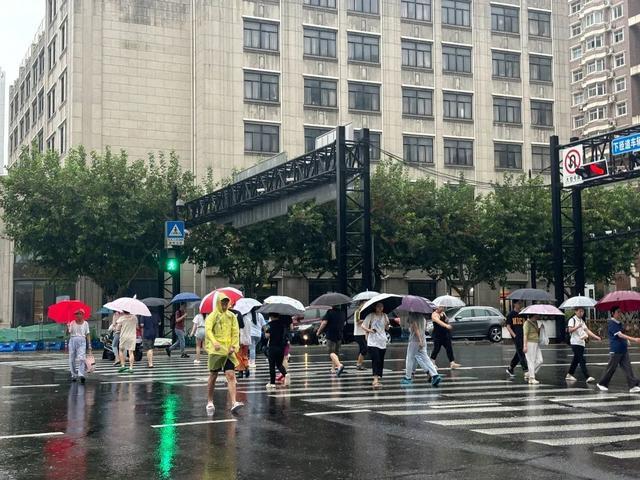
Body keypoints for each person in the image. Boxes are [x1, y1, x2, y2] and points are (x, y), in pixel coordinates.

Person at [205, 294, 244, 415]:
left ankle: (234, 402)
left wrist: (234, 345)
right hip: (216, 351)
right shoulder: (212, 316)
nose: (225, 305)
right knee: (213, 375)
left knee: (230, 374)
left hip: (228, 351)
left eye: (226, 302)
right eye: (222, 302)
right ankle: (210, 401)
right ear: (218, 302)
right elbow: (208, 330)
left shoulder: (232, 316)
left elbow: (235, 331)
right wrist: (214, 342)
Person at [597, 306, 640, 393]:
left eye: (620, 312)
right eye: (618, 312)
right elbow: (619, 335)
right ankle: (602, 383)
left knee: (628, 367)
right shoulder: (611, 323)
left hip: (623, 349)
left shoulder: (618, 323)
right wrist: (633, 339)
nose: (619, 314)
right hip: (616, 349)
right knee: (611, 368)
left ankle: (632, 385)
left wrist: (627, 339)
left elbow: (622, 334)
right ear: (613, 313)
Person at [401, 312, 442, 387]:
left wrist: (419, 339)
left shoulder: (412, 316)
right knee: (426, 358)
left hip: (415, 340)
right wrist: (422, 340)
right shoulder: (423, 318)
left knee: (410, 358)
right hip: (423, 340)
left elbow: (415, 327)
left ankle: (408, 377)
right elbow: (423, 329)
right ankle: (435, 375)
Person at [566, 307, 601, 382]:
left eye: (582, 311)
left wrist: (596, 337)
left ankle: (569, 374)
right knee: (581, 359)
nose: (581, 313)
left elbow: (587, 330)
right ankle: (587, 376)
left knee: (576, 360)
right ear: (575, 311)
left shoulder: (582, 321)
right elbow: (570, 330)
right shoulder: (572, 320)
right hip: (575, 343)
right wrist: (577, 326)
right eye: (580, 311)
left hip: (582, 343)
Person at [362, 302, 389, 388]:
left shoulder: (385, 316)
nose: (380, 308)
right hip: (372, 342)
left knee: (380, 360)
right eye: (378, 306)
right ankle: (375, 379)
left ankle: (378, 377)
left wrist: (388, 324)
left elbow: (387, 328)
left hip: (382, 341)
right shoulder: (371, 315)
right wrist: (370, 330)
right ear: (375, 307)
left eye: (382, 306)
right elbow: (363, 326)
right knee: (376, 359)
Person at [316, 305, 346, 376]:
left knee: (331, 352)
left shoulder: (330, 312)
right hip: (339, 335)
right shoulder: (342, 313)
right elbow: (344, 323)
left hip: (331, 335)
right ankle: (333, 369)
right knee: (336, 353)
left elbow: (324, 323)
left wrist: (318, 332)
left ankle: (339, 365)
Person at [265, 313, 292, 390]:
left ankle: (272, 383)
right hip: (281, 347)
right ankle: (285, 374)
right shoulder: (282, 325)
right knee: (279, 364)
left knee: (272, 365)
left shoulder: (269, 325)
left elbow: (267, 336)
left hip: (272, 346)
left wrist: (265, 331)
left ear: (271, 316)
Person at [505, 300, 528, 378]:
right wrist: (514, 335)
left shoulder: (523, 314)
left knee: (518, 353)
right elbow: (508, 326)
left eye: (521, 303)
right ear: (514, 304)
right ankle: (526, 370)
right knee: (521, 353)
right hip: (516, 337)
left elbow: (526, 324)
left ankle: (510, 368)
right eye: (518, 303)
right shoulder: (511, 314)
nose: (520, 304)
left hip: (524, 336)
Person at [68, 309, 91, 383]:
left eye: (79, 314)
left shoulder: (85, 323)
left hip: (82, 340)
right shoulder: (72, 323)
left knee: (82, 358)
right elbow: (67, 333)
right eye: (76, 314)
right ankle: (74, 374)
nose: (77, 315)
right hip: (73, 340)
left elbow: (88, 334)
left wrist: (89, 345)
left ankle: (81, 374)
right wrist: (68, 327)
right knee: (72, 358)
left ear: (82, 315)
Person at [522, 314, 543, 385]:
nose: (538, 316)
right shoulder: (526, 323)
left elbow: (537, 334)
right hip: (529, 343)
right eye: (537, 315)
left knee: (540, 360)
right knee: (531, 360)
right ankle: (531, 378)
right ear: (533, 315)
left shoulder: (536, 322)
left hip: (536, 343)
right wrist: (525, 346)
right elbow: (525, 335)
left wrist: (540, 329)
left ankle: (529, 373)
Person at [235, 309, 251, 378]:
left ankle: (240, 372)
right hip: (247, 340)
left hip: (240, 340)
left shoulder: (239, 319)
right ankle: (246, 366)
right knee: (245, 355)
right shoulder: (248, 319)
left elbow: (240, 330)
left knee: (238, 356)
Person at [353, 301, 368, 371]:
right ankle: (358, 364)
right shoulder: (358, 312)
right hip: (358, 333)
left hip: (363, 333)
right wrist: (365, 319)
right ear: (360, 304)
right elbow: (357, 321)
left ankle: (360, 364)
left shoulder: (365, 312)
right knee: (364, 349)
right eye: (364, 304)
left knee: (362, 349)